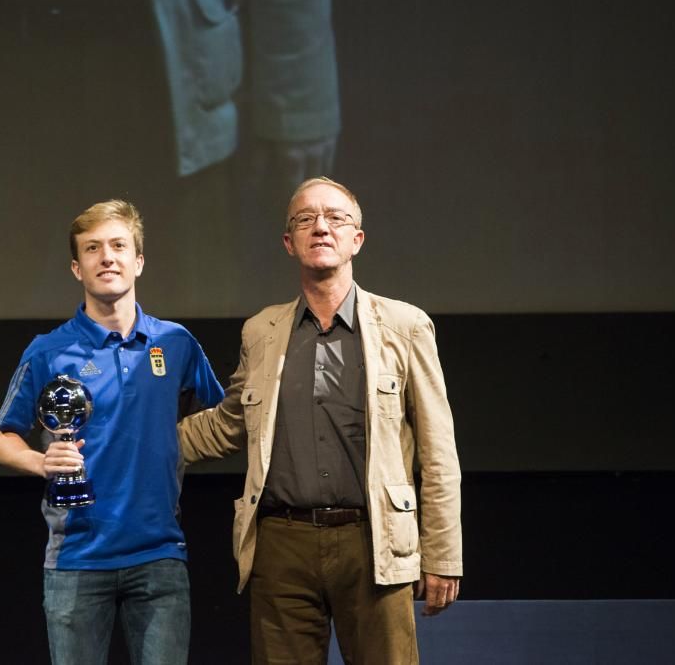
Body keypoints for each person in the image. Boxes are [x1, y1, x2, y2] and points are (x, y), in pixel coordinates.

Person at [178, 177, 463, 664]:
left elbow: (438, 453)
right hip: (282, 543)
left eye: (336, 217)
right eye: (305, 219)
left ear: (358, 239)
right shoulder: (262, 331)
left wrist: (442, 555)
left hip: (373, 541)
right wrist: (137, 441)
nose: (321, 227)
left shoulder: (405, 326)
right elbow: (230, 424)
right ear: (289, 243)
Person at [0, 199, 224, 665]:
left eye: (118, 246)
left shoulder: (174, 343)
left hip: (159, 554)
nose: (107, 257)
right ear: (77, 268)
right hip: (78, 557)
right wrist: (41, 461)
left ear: (138, 261)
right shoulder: (48, 351)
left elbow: (223, 416)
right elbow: (1, 439)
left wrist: (181, 446)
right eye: (93, 249)